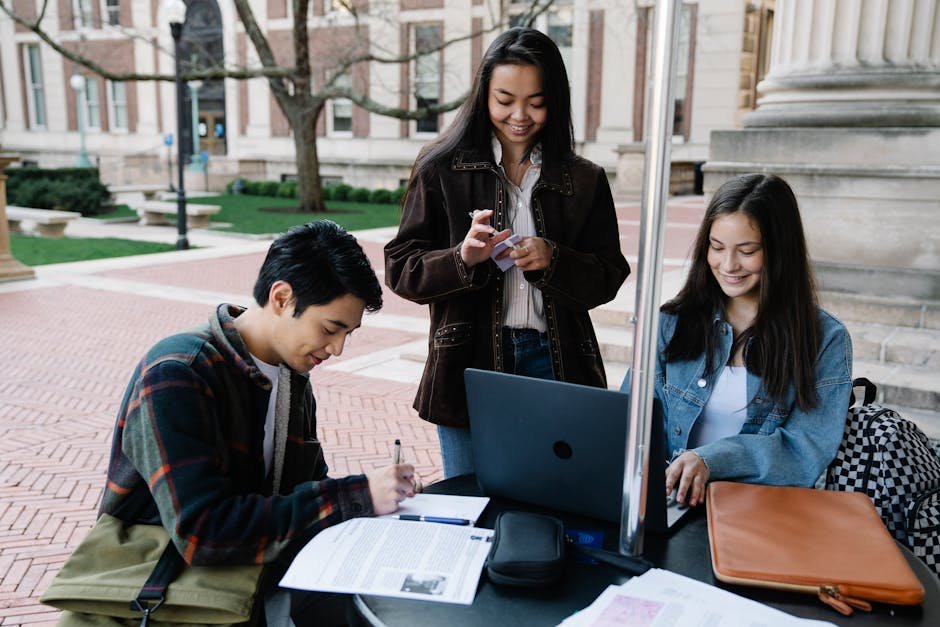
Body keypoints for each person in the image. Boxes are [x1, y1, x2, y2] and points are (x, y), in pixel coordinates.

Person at [98, 220, 419, 625]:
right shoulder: (179, 372)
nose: (337, 349)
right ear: (282, 298)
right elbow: (202, 531)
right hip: (168, 599)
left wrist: (379, 495)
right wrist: (353, 495)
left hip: (252, 587)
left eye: (348, 334)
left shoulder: (292, 376)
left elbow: (301, 491)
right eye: (330, 329)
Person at [384, 27, 630, 478]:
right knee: (472, 503)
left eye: (536, 102)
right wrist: (463, 258)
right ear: (483, 95)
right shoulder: (441, 166)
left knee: (557, 495)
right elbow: (401, 267)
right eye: (504, 100)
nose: (520, 115)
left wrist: (554, 260)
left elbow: (609, 273)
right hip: (468, 364)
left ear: (555, 98)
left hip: (556, 362)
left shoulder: (584, 178)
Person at [657, 173, 853, 507]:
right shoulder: (674, 321)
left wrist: (711, 460)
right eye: (716, 248)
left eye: (747, 251)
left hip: (760, 510)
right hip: (670, 502)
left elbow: (805, 449)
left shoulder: (825, 339)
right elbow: (631, 417)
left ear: (780, 251)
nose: (728, 265)